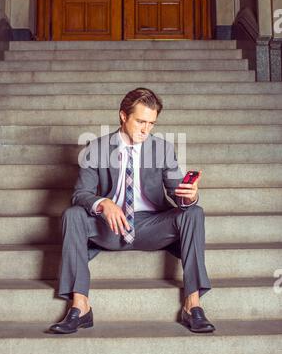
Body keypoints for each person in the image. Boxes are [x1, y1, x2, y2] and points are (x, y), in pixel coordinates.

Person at [50, 88, 215, 334]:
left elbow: (176, 194)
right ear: (123, 116)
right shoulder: (95, 148)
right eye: (140, 121)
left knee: (194, 212)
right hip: (110, 226)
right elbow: (80, 194)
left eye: (151, 123)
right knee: (72, 214)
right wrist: (103, 203)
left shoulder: (163, 149)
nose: (145, 129)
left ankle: (193, 305)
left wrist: (188, 197)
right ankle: (80, 307)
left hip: (151, 226)